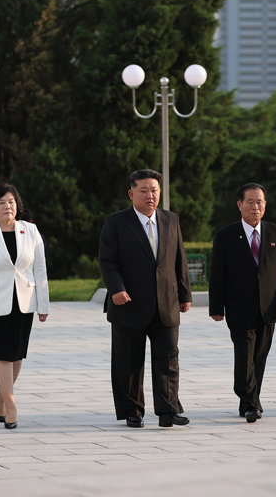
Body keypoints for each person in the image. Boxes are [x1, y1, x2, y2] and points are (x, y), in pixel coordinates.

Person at [98, 169, 192, 428]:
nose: (150, 195)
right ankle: (132, 411)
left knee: (169, 358)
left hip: (166, 303)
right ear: (131, 194)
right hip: (128, 304)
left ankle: (168, 411)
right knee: (128, 361)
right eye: (144, 190)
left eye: (154, 190)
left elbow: (179, 258)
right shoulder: (116, 222)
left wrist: (184, 293)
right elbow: (107, 260)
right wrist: (116, 289)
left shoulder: (171, 219)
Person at [209, 183, 276, 422]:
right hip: (239, 307)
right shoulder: (225, 235)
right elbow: (217, 274)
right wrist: (216, 307)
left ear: (265, 205)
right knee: (244, 356)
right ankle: (250, 403)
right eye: (250, 202)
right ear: (240, 205)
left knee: (260, 357)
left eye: (260, 202)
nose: (255, 207)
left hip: (269, 307)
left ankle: (248, 402)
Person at [0, 183, 50, 430]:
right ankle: (11, 406)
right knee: (3, 353)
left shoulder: (31, 231)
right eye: (1, 202)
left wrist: (43, 304)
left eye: (11, 202)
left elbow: (40, 269)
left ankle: (1, 397)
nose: (7, 206)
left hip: (25, 302)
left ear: (18, 205)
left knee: (17, 355)